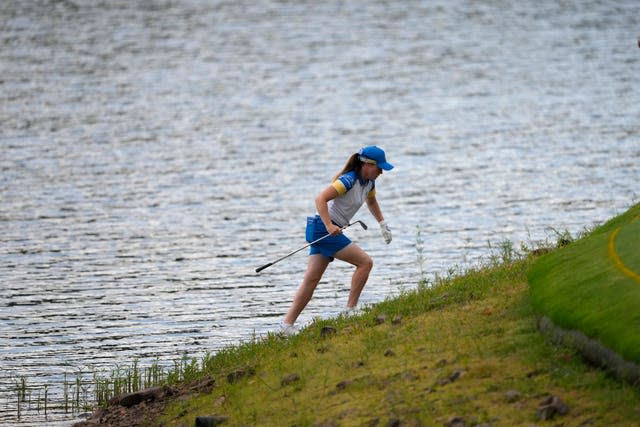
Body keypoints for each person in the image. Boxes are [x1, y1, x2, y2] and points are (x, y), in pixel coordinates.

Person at [281, 146, 394, 335]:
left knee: (311, 280)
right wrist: (328, 225)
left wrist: (382, 223)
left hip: (322, 229)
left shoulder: (369, 184)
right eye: (379, 168)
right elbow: (320, 199)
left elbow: (372, 202)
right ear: (367, 164)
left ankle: (286, 326)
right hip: (321, 228)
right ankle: (350, 311)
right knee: (365, 263)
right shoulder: (348, 180)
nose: (382, 172)